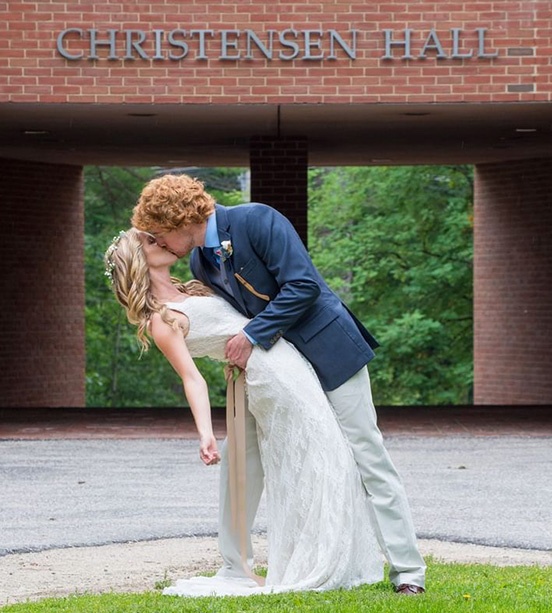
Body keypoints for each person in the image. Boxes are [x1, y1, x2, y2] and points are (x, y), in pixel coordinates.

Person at [131, 174, 427, 595]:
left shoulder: (258, 220)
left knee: (367, 455)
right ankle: (238, 563)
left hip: (330, 352)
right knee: (244, 456)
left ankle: (407, 573)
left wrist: (251, 336)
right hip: (277, 374)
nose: (159, 244)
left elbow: (303, 285)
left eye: (159, 235)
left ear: (179, 220)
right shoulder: (200, 263)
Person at [104, 228, 383, 596]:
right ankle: (313, 562)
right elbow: (192, 379)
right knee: (314, 459)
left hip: (287, 363)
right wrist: (205, 433)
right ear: (137, 260)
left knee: (327, 456)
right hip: (272, 378)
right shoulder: (162, 319)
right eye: (150, 242)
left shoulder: (193, 288)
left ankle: (324, 555)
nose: (161, 242)